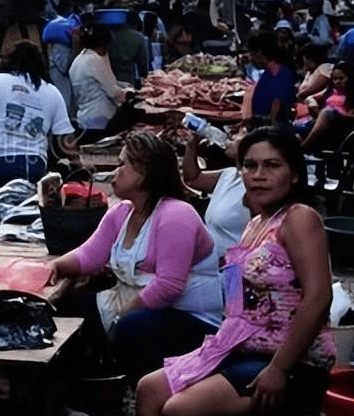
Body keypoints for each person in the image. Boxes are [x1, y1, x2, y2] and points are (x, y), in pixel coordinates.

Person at [135, 127, 336, 416]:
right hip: (245, 350)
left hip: (293, 364)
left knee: (179, 411)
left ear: (295, 173)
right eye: (250, 166)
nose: (258, 175)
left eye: (272, 166)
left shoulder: (300, 219)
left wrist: (279, 369)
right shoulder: (255, 224)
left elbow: (319, 297)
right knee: (148, 391)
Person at [48, 131, 223, 383]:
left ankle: (142, 387)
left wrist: (120, 318)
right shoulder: (121, 212)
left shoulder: (176, 215)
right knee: (64, 309)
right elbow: (90, 255)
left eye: (122, 164)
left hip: (190, 318)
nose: (115, 172)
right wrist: (56, 267)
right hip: (137, 304)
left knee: (130, 329)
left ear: (144, 173)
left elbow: (169, 287)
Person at [0, 41, 75, 196]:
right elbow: (65, 138)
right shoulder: (52, 92)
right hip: (33, 164)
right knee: (23, 214)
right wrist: (78, 162)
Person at [181, 134, 251, 262]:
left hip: (233, 266)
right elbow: (193, 179)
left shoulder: (254, 187)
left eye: (238, 136)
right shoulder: (229, 174)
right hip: (210, 263)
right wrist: (191, 146)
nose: (231, 138)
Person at [299, 60, 354, 153]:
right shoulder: (330, 91)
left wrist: (343, 115)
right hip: (326, 126)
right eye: (334, 79)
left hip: (344, 127)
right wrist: (314, 109)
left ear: (350, 77)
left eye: (341, 78)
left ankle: (304, 147)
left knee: (327, 112)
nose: (337, 82)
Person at [69, 25, 132, 132]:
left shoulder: (78, 60)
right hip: (101, 120)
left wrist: (126, 86)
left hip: (85, 120)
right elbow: (114, 92)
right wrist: (133, 93)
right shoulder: (94, 60)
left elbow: (106, 82)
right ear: (102, 44)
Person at [247, 34, 296, 125]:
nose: (251, 59)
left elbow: (278, 102)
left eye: (251, 54)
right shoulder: (272, 70)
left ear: (259, 53)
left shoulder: (278, 73)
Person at [43, 11, 83, 114]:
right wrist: (75, 45)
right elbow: (65, 67)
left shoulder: (58, 44)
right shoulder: (61, 47)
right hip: (59, 76)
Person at [108, 13, 152, 88]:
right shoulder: (139, 37)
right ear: (136, 24)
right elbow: (143, 63)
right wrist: (145, 79)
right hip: (128, 78)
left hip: (110, 78)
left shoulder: (112, 34)